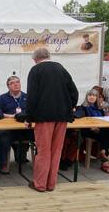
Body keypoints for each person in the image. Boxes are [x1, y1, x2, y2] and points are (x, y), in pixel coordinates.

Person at [26, 48, 78, 192]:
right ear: (49, 56)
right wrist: (70, 107)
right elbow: (74, 92)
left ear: (35, 59)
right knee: (56, 150)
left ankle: (40, 184)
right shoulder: (61, 69)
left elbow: (32, 97)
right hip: (62, 117)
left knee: (43, 151)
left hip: (44, 116)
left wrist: (29, 118)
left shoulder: (35, 71)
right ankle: (51, 184)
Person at [0, 75, 33, 174]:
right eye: (12, 83)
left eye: (17, 82)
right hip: (10, 129)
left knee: (40, 134)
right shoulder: (2, 98)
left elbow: (33, 111)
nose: (16, 84)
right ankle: (3, 163)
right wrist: (12, 116)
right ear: (8, 86)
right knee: (3, 135)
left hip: (25, 128)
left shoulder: (28, 97)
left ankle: (39, 162)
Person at [74, 89, 109, 173]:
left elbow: (102, 121)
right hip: (88, 131)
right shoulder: (83, 108)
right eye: (90, 95)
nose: (92, 97)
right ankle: (104, 157)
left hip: (99, 131)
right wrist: (90, 127)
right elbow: (79, 117)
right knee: (106, 133)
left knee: (107, 130)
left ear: (97, 98)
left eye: (94, 95)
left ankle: (103, 154)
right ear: (87, 97)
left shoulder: (99, 108)